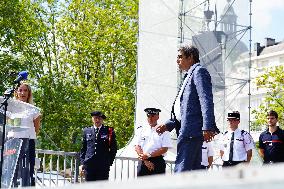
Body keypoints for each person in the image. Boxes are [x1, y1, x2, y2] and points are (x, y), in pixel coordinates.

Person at [156, 45, 219, 172]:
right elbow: (183, 109)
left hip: (191, 131)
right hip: (187, 130)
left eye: (180, 57)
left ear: (190, 57)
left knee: (181, 170)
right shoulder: (188, 76)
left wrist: (207, 126)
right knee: (194, 173)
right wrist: (169, 124)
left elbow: (206, 100)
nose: (177, 60)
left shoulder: (199, 72)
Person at [8, 82, 41, 186]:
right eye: (20, 90)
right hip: (12, 143)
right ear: (16, 92)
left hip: (28, 143)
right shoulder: (10, 108)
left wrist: (26, 138)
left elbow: (36, 129)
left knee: (27, 172)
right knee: (12, 172)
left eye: (25, 90)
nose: (23, 93)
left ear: (29, 93)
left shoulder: (34, 110)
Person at [80, 111, 117, 181]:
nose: (97, 120)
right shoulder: (86, 131)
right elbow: (83, 149)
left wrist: (109, 162)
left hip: (103, 166)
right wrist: (82, 163)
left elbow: (113, 149)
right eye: (95, 118)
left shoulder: (109, 131)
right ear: (92, 119)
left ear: (102, 120)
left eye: (99, 118)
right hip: (89, 165)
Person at [134, 108, 172, 176]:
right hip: (143, 161)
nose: (150, 118)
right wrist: (145, 160)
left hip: (157, 161)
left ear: (158, 117)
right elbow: (137, 146)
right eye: (148, 116)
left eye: (153, 116)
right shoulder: (141, 129)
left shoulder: (164, 130)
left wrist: (148, 155)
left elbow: (164, 149)